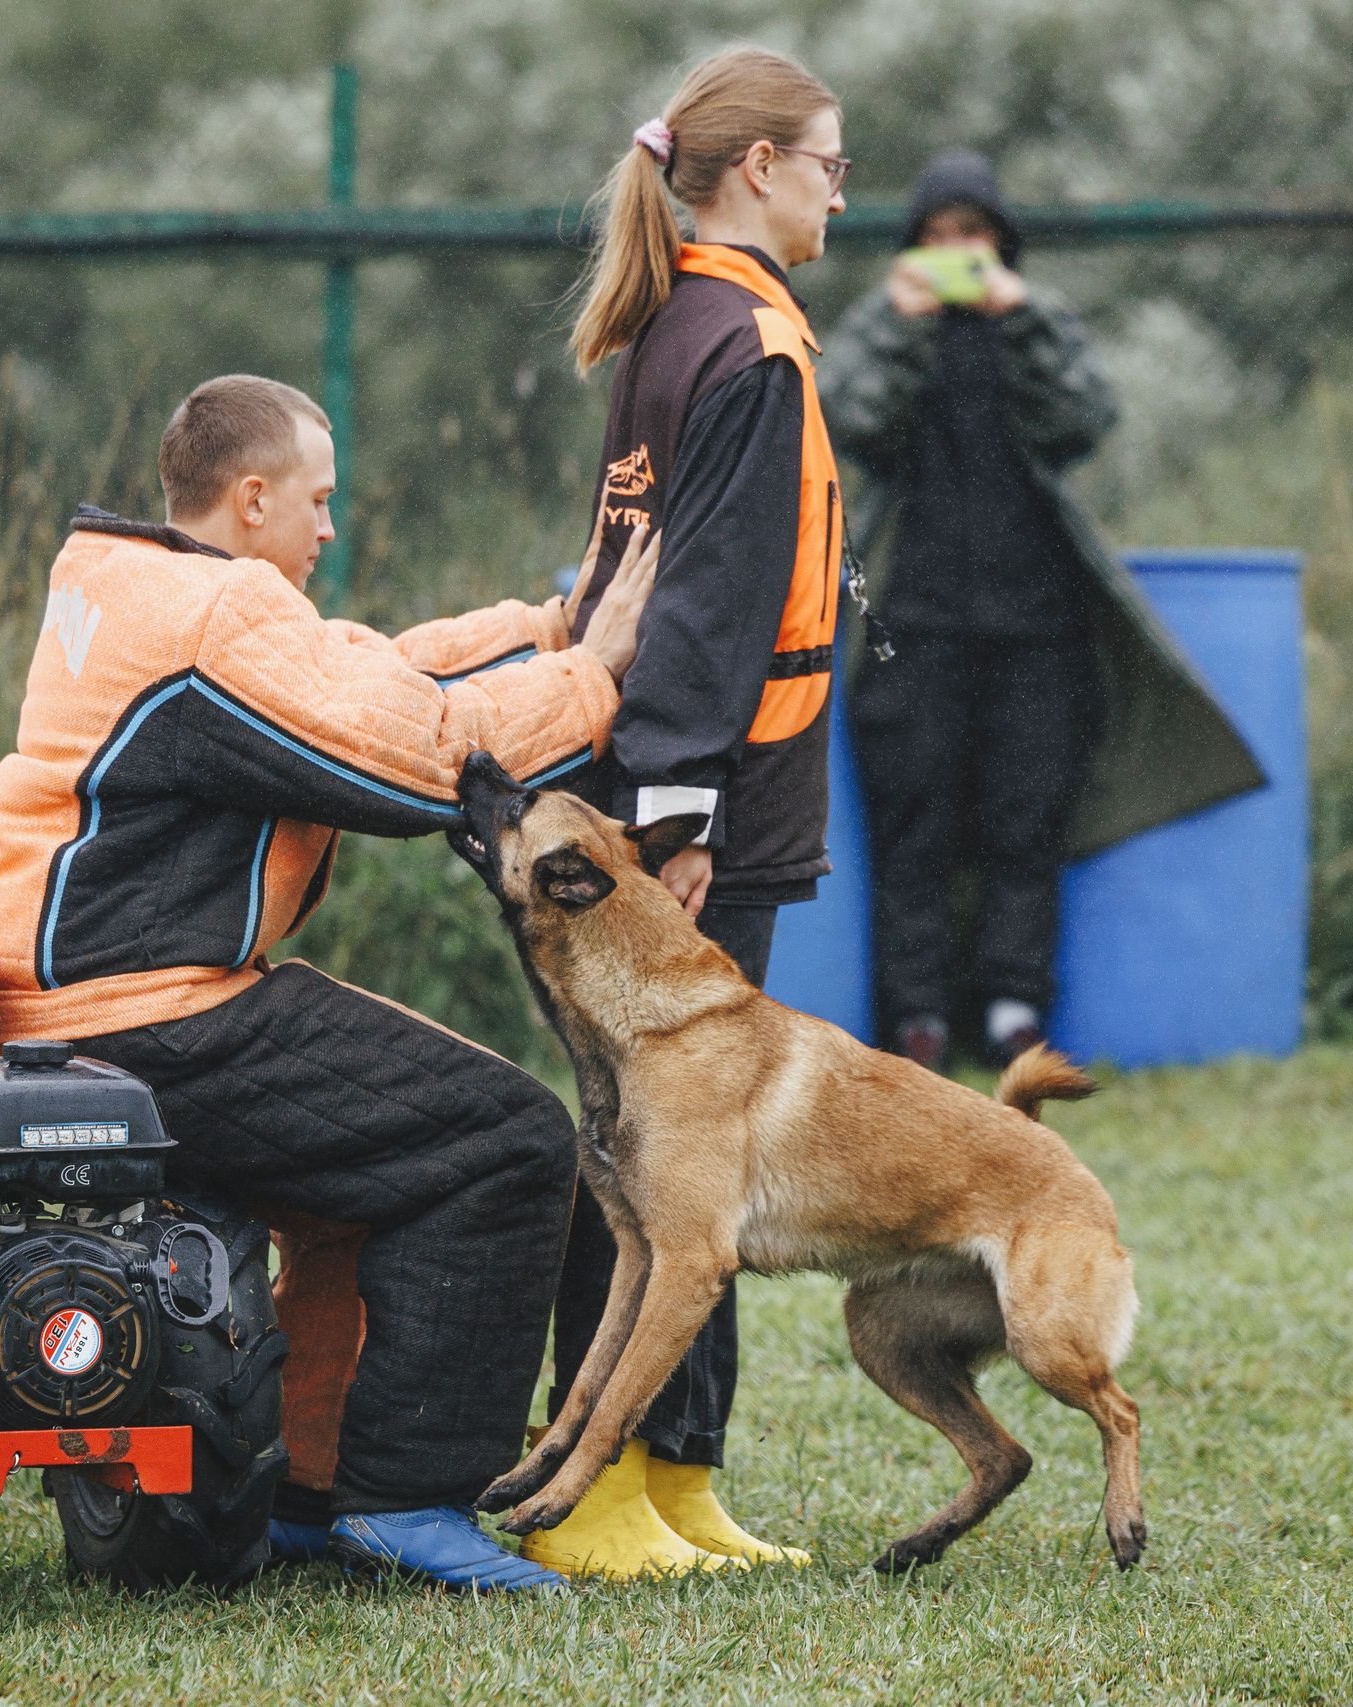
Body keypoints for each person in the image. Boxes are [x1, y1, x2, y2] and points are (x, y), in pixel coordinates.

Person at [0, 373, 659, 1595]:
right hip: (148, 1015)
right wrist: (592, 683)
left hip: (81, 999)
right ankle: (408, 1499)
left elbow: (365, 675)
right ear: (249, 501)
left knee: (385, 1160)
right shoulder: (214, 618)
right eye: (317, 500)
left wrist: (547, 628)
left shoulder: (138, 583)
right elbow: (401, 762)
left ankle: (302, 1485)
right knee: (506, 1141)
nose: (329, 527)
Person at [538, 44, 849, 1579]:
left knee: (679, 1151)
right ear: (756, 168)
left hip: (676, 792)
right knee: (659, 1158)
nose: (839, 189)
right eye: (830, 162)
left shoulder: (690, 323)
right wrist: (678, 814)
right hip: (696, 809)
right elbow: (709, 606)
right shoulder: (747, 348)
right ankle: (598, 1492)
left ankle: (678, 1473)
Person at [822, 151, 1264, 1072]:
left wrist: (1014, 319)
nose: (956, 254)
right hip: (914, 625)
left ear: (1002, 244)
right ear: (912, 247)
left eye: (971, 236)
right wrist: (906, 329)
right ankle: (917, 1021)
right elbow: (847, 423)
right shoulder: (880, 323)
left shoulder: (1037, 318)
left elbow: (1086, 419)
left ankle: (1016, 1011)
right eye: (937, 238)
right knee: (916, 830)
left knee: (1028, 825)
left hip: (1040, 626)